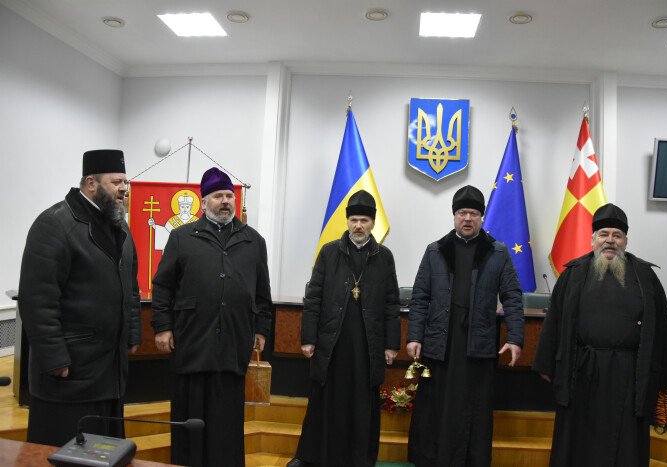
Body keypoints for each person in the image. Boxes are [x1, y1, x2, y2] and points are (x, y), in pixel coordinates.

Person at [533, 203, 667, 467]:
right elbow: (554, 321)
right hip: (581, 372)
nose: (610, 240)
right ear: (593, 240)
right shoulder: (573, 273)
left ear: (625, 241)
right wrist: (546, 364)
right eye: (604, 234)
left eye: (617, 235)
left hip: (629, 376)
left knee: (625, 447)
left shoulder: (645, 276)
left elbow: (663, 328)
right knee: (578, 443)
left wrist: (665, 377)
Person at [18, 149, 141, 446]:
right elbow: (37, 300)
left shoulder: (120, 226)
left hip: (109, 374)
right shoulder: (55, 224)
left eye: (125, 182)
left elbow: (131, 287)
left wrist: (133, 333)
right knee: (67, 453)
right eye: (116, 182)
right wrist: (54, 359)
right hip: (70, 375)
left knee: (107, 453)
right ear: (91, 183)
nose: (124, 188)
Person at [151, 167, 272, 467]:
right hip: (192, 342)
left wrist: (261, 329)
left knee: (227, 422)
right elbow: (163, 286)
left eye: (229, 195)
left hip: (233, 343)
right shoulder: (182, 237)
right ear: (204, 202)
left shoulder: (253, 241)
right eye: (218, 196)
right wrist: (163, 326)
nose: (225, 201)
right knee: (190, 420)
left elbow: (262, 293)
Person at [406, 185, 524, 467]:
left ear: (482, 217)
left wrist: (515, 337)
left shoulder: (497, 252)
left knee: (475, 409)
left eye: (473, 213)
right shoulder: (435, 250)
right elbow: (420, 297)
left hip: (478, 345)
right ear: (454, 216)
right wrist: (414, 336)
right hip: (441, 343)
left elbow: (512, 297)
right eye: (462, 213)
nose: (467, 218)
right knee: (438, 407)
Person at [288, 190, 401, 467]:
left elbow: (391, 303)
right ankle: (315, 457)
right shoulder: (329, 252)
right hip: (333, 343)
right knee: (327, 401)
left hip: (367, 345)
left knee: (362, 404)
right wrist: (308, 338)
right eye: (354, 220)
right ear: (347, 222)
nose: (358, 225)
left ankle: (359, 459)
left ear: (373, 223)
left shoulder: (384, 256)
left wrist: (391, 344)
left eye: (364, 220)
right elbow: (313, 297)